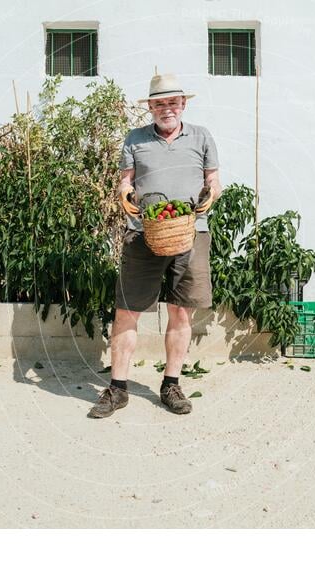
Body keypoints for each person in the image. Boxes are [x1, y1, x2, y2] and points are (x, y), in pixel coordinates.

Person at [88, 73, 221, 418]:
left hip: (191, 231)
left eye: (172, 102)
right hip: (142, 232)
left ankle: (171, 384)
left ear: (183, 104)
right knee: (127, 310)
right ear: (150, 107)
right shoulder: (135, 139)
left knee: (181, 309)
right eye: (159, 103)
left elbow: (213, 180)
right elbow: (125, 183)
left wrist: (210, 196)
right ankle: (117, 389)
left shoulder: (202, 136)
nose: (167, 108)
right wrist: (125, 196)